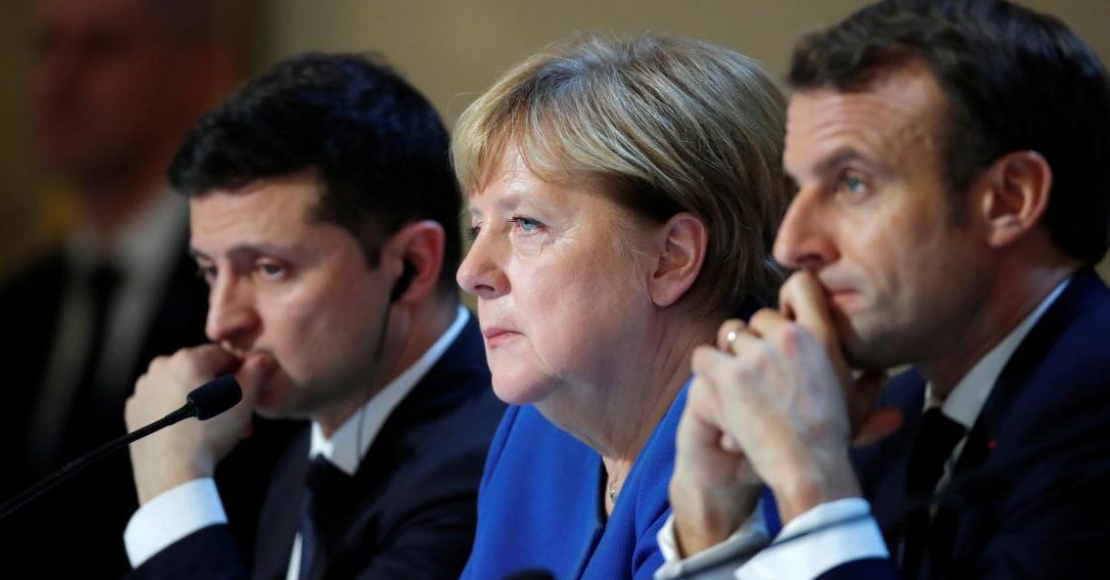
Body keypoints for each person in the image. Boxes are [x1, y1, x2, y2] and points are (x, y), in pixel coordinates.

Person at [658, 0, 1110, 578]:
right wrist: (714, 523)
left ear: (1009, 199)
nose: (790, 246)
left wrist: (811, 482)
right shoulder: (898, 418)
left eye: (852, 184)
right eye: (798, 189)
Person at [122, 51, 505, 580]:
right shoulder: (304, 444)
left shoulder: (488, 469)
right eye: (210, 270)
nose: (220, 322)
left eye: (270, 268)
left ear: (412, 266)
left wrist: (173, 484)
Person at [453, 35, 792, 579]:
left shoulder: (755, 449)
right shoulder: (540, 424)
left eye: (526, 223)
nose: (471, 272)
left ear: (670, 259)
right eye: (478, 227)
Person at [0, 1, 293, 576]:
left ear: (198, 72)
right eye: (47, 47)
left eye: (103, 48)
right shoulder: (16, 306)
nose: (59, 81)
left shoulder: (249, 304)